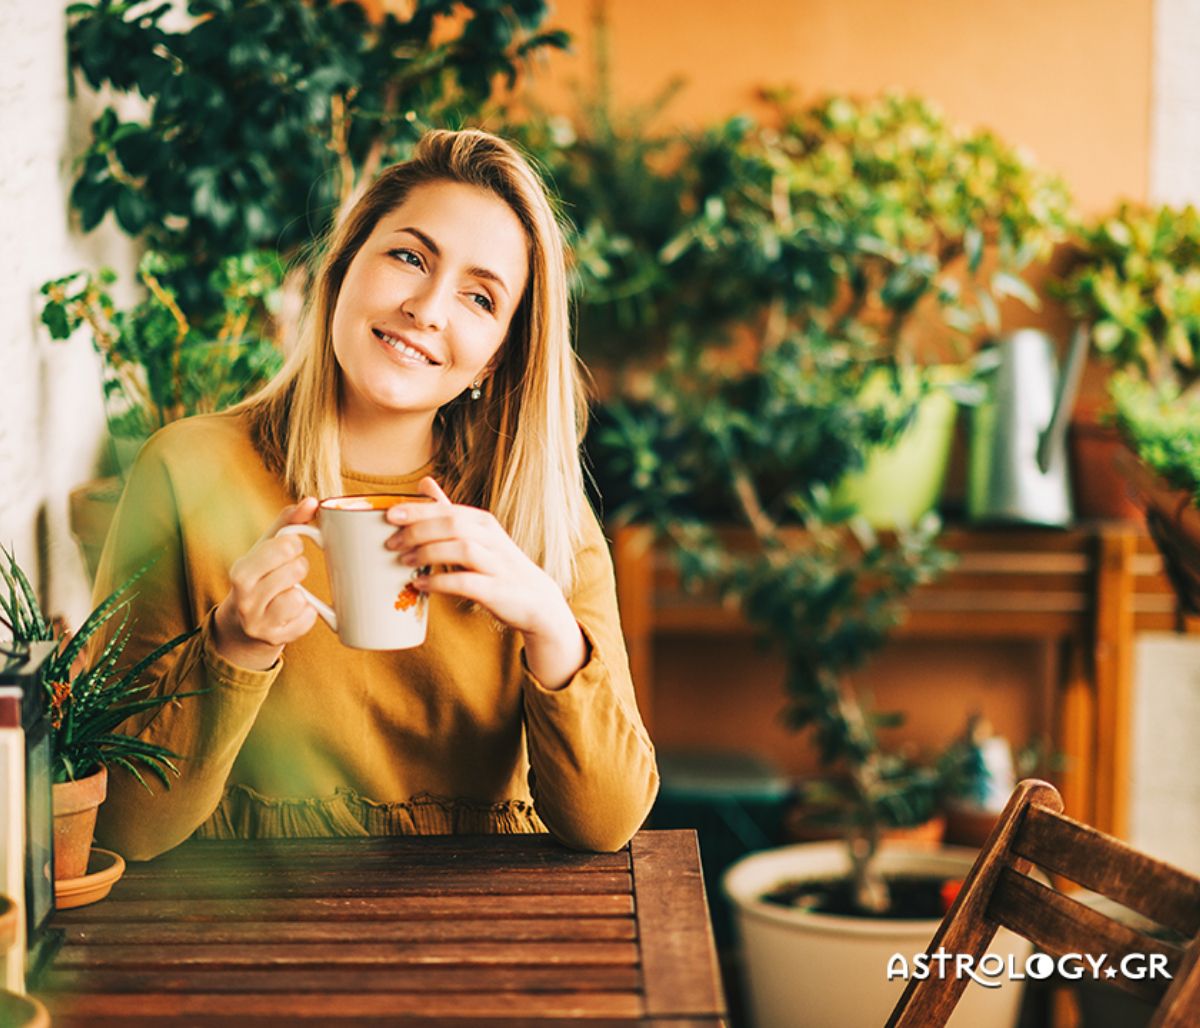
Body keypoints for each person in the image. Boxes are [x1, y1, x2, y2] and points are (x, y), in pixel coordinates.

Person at [92, 129, 659, 860]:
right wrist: (234, 644)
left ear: (501, 352)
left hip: (494, 938)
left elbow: (608, 825)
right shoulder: (188, 471)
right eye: (408, 257)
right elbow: (123, 830)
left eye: (479, 297)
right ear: (343, 268)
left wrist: (550, 625)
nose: (427, 308)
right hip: (240, 929)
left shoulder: (537, 510)